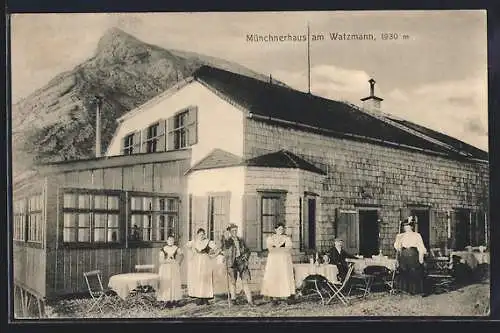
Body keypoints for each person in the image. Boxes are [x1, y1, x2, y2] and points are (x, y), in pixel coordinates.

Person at [260, 223, 295, 305]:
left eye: (282, 229)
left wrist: (277, 250)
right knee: (274, 277)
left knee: (284, 277)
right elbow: (270, 249)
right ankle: (274, 297)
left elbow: (288, 249)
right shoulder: (270, 238)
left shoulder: (286, 238)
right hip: (274, 262)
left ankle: (285, 295)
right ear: (275, 230)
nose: (281, 231)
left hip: (283, 261)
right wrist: (280, 249)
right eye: (279, 229)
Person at [221, 223, 254, 306]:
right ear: (230, 232)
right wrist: (225, 236)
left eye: (236, 230)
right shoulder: (227, 241)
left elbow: (247, 250)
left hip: (241, 262)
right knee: (233, 281)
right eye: (233, 231)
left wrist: (245, 256)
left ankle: (250, 301)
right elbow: (224, 248)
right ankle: (233, 299)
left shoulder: (241, 240)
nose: (235, 232)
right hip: (232, 262)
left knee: (245, 280)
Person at [186, 228, 220, 305]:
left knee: (205, 278)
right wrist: (193, 252)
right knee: (198, 278)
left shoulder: (208, 242)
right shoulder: (194, 242)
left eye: (203, 234)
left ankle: (205, 297)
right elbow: (187, 246)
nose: (201, 236)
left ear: (204, 235)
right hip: (196, 261)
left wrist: (213, 256)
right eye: (200, 234)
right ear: (197, 235)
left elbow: (217, 249)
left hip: (205, 261)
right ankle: (199, 297)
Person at [394, 217, 427, 295]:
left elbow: (421, 247)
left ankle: (415, 290)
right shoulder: (401, 236)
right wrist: (398, 239)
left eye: (408, 226)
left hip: (413, 255)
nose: (407, 228)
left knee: (414, 271)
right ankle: (406, 290)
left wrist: (421, 257)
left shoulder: (417, 235)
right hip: (404, 255)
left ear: (412, 227)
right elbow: (397, 248)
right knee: (404, 270)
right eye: (405, 226)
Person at [157, 235, 184, 307]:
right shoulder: (163, 249)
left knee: (174, 282)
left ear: (174, 241)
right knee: (166, 283)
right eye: (169, 240)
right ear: (167, 241)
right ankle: (166, 300)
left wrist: (179, 262)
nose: (171, 241)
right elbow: (160, 260)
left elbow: (182, 255)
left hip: (174, 267)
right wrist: (166, 261)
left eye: (172, 240)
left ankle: (174, 300)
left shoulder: (176, 248)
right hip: (165, 268)